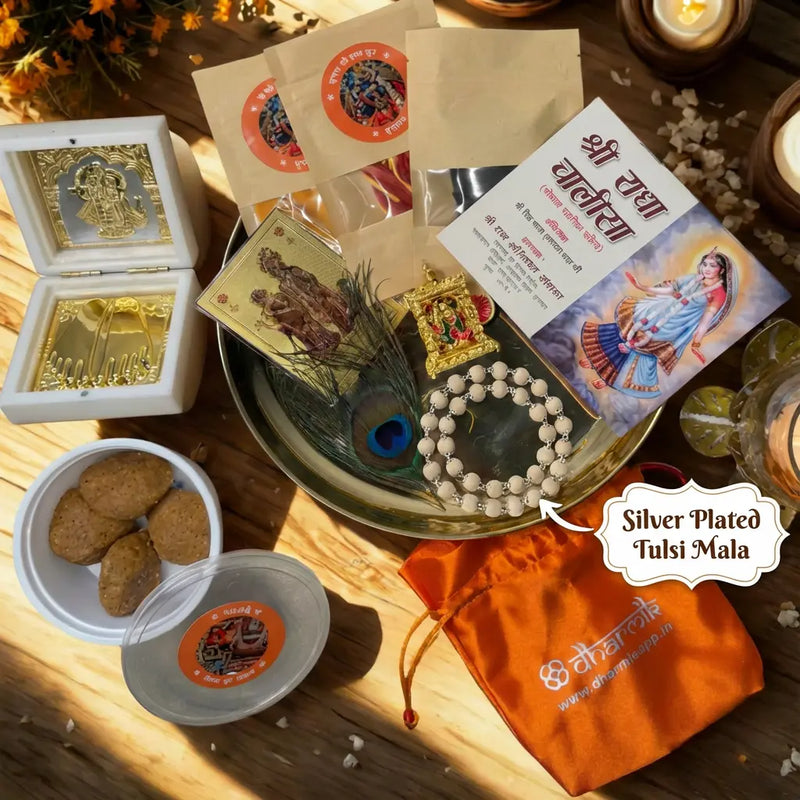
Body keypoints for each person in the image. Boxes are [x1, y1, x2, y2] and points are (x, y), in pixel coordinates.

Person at [579, 247, 734, 397]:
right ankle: (597, 362)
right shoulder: (694, 279)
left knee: (642, 350)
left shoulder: (719, 293)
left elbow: (705, 321)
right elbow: (670, 291)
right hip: (658, 310)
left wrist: (696, 344)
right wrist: (642, 287)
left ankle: (610, 379)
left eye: (712, 265)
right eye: (705, 264)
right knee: (626, 330)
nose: (707, 269)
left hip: (674, 326)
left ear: (722, 270)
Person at [258, 247, 353, 335]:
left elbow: (310, 279)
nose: (273, 271)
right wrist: (306, 305)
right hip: (309, 305)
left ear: (278, 262)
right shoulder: (282, 286)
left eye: (273, 267)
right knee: (326, 317)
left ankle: (348, 324)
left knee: (333, 310)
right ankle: (343, 329)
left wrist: (313, 291)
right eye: (269, 270)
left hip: (317, 296)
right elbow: (294, 299)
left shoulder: (293, 271)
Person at [70, 161, 147, 239]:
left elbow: (117, 189)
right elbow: (87, 195)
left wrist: (109, 195)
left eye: (95, 170)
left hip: (113, 204)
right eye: (91, 170)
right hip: (99, 205)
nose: (94, 173)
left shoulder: (109, 180)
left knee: (118, 220)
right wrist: (78, 184)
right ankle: (108, 230)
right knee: (104, 221)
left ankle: (120, 229)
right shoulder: (90, 181)